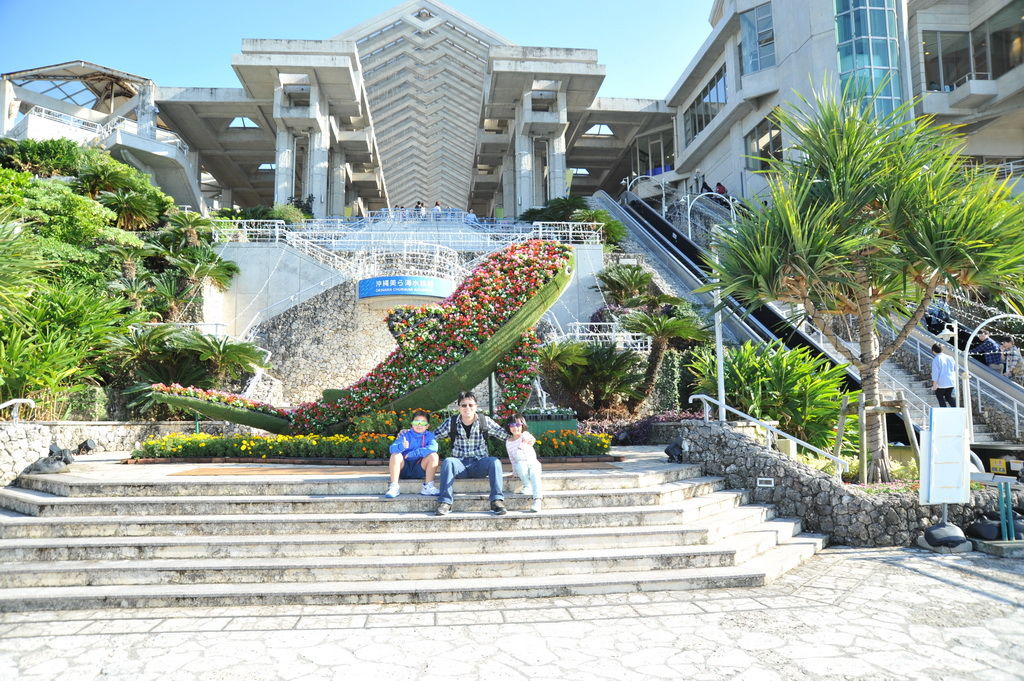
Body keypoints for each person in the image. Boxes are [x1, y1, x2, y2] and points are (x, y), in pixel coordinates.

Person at [433, 391, 509, 516]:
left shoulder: (485, 421)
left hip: (480, 464)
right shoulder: (451, 422)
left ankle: (496, 501)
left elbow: (505, 435)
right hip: (460, 465)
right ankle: (445, 502)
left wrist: (523, 436)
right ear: (459, 407)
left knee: (494, 462)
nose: (467, 408)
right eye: (463, 405)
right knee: (448, 462)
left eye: (470, 405)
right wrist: (409, 433)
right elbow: (431, 437)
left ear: (476, 406)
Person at [384, 410, 440, 498]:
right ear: (412, 423)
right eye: (416, 422)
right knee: (395, 455)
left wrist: (414, 453)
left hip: (420, 467)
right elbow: (392, 448)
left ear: (427, 426)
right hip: (404, 468)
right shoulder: (405, 434)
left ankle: (428, 486)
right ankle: (394, 486)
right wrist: (401, 446)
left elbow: (434, 447)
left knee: (434, 456)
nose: (419, 425)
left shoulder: (429, 435)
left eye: (423, 423)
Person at [506, 414, 542, 513]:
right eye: (512, 425)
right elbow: (512, 458)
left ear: (522, 425)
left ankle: (537, 500)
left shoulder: (524, 435)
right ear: (509, 427)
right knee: (520, 464)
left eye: (518, 424)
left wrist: (528, 440)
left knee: (535, 475)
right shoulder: (508, 442)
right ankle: (527, 485)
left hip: (533, 463)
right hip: (521, 466)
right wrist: (514, 472)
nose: (515, 427)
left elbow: (532, 439)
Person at [930, 343, 957, 408]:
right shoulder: (950, 358)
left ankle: (944, 410)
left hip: (942, 382)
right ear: (942, 350)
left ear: (933, 351)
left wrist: (934, 385)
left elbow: (935, 373)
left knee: (939, 396)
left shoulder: (936, 359)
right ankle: (956, 409)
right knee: (948, 396)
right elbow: (956, 369)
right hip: (951, 381)